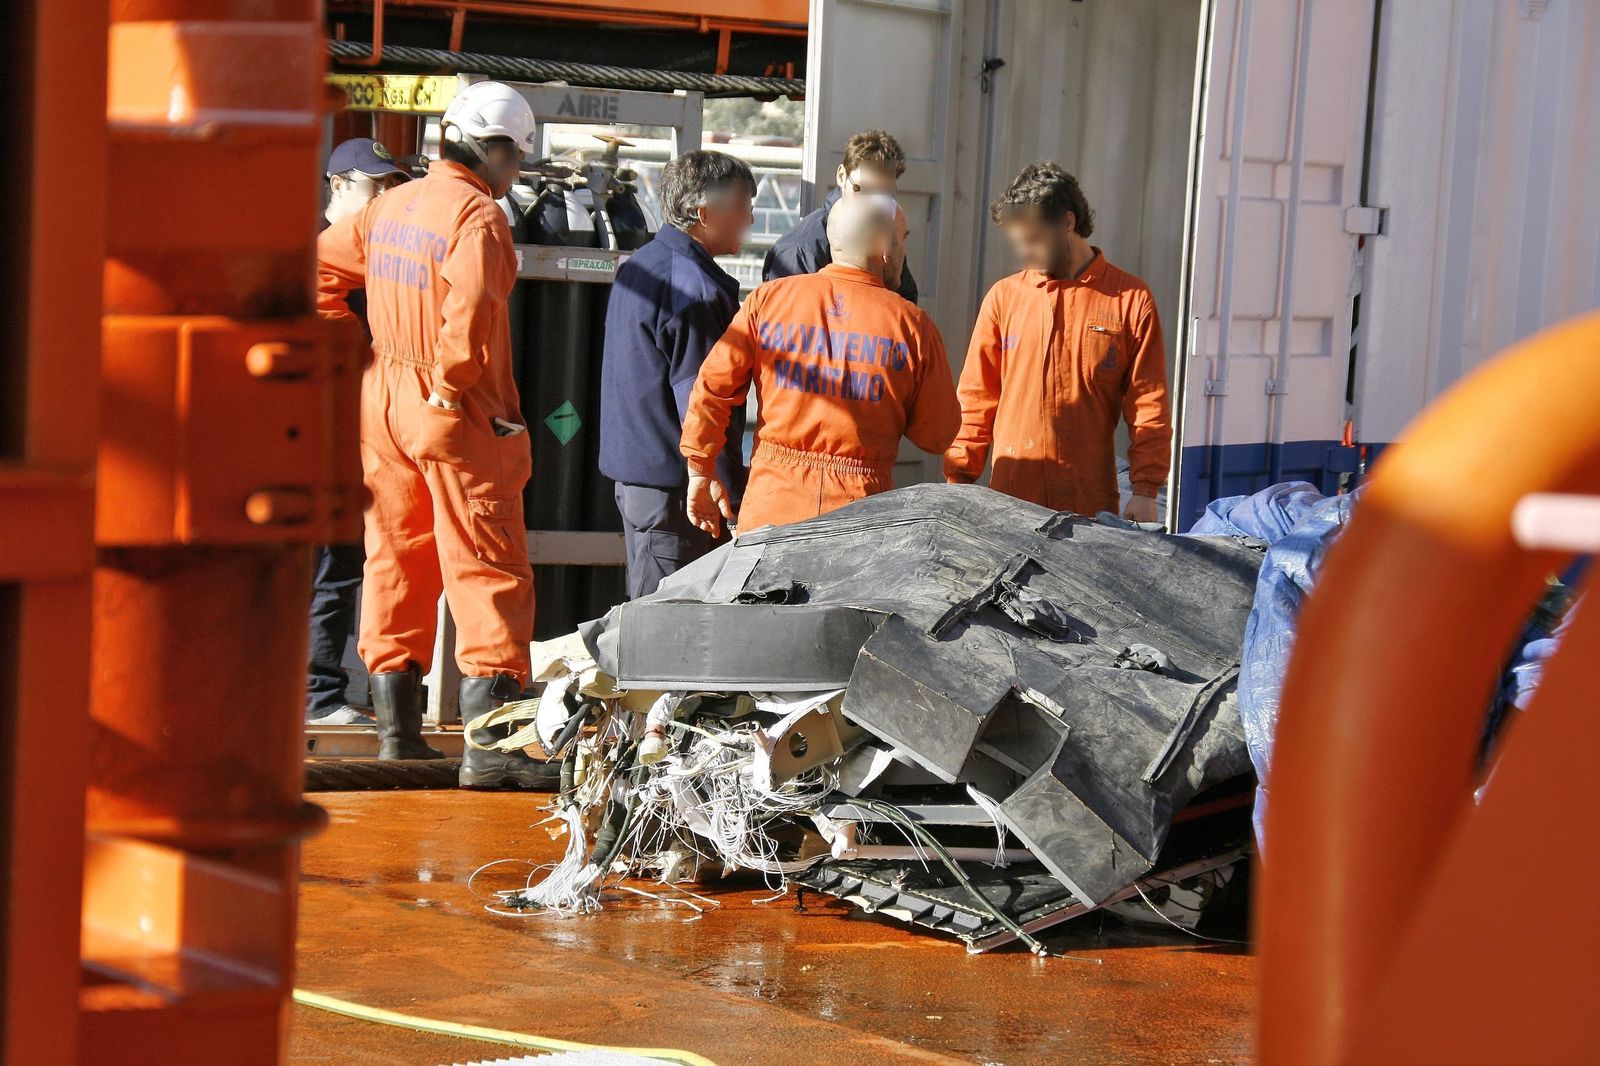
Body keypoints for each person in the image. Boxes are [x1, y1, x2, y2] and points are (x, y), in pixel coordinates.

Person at [317, 81, 552, 789]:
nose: (514, 177)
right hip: (452, 410)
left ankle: (398, 733)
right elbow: (473, 308)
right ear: (498, 149)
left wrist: (348, 353)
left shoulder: (388, 206)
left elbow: (321, 269)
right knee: (487, 562)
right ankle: (491, 751)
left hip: (384, 400)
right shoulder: (477, 216)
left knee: (395, 557)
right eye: (516, 161)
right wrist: (450, 384)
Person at [681, 195, 959, 535]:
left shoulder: (767, 300)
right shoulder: (913, 325)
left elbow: (712, 388)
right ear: (886, 247)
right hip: (859, 516)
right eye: (902, 240)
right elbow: (937, 435)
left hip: (771, 508)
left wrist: (700, 469)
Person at [944, 163, 1171, 523]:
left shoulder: (1129, 299)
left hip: (1088, 502)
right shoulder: (1004, 298)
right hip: (1012, 499)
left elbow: (1148, 403)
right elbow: (976, 398)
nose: (1024, 254)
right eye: (1018, 242)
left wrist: (1145, 490)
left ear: (1067, 223)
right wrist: (958, 479)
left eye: (1033, 240)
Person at [599, 150, 755, 599]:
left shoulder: (639, 265)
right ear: (706, 214)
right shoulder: (696, 290)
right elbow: (703, 402)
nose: (749, 217)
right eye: (744, 204)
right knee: (664, 624)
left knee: (647, 609)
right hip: (678, 493)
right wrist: (727, 488)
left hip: (639, 482)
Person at [307, 138, 410, 727]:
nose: (386, 199)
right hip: (329, 432)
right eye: (377, 187)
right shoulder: (328, 261)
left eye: (393, 187)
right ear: (340, 187)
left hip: (353, 429)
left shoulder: (368, 259)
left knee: (344, 563)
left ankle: (321, 690)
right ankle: (317, 696)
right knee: (333, 564)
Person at [762, 129, 919, 304]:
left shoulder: (885, 231)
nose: (872, 204)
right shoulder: (799, 249)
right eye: (864, 190)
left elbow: (907, 300)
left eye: (883, 195)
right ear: (842, 176)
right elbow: (783, 321)